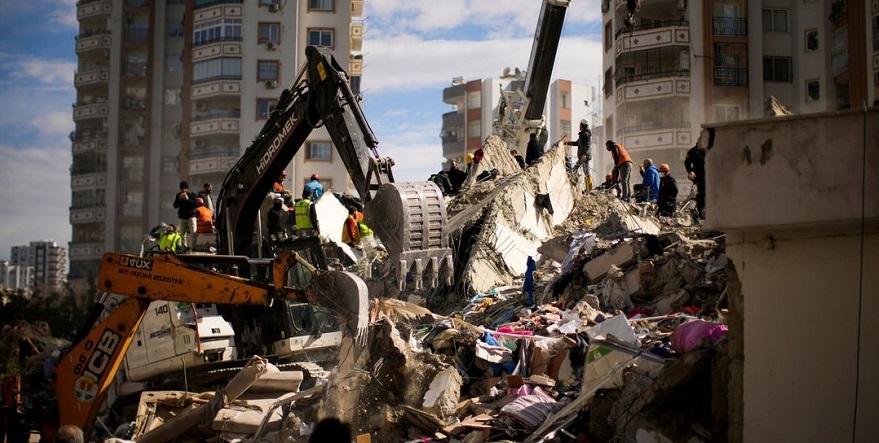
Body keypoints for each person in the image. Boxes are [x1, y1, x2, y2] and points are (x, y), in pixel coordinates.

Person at [566, 119, 593, 188]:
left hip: (584, 156)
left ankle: (588, 187)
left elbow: (587, 146)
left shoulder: (585, 134)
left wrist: (584, 155)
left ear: (583, 125)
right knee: (585, 171)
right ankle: (588, 188)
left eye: (580, 125)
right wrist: (568, 143)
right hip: (584, 156)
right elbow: (577, 143)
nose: (579, 126)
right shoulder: (583, 134)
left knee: (576, 169)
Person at [173, 181, 198, 251]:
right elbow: (175, 205)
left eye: (185, 188)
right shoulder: (178, 195)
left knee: (193, 233)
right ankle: (184, 248)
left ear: (187, 189)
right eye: (182, 189)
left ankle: (193, 247)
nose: (183, 190)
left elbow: (195, 205)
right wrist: (179, 200)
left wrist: (187, 199)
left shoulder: (192, 195)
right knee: (182, 234)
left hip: (191, 216)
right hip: (182, 217)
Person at [684, 143, 706, 220]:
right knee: (702, 192)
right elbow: (687, 162)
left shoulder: (710, 148)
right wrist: (690, 171)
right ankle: (700, 210)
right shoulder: (693, 151)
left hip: (710, 175)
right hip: (699, 176)